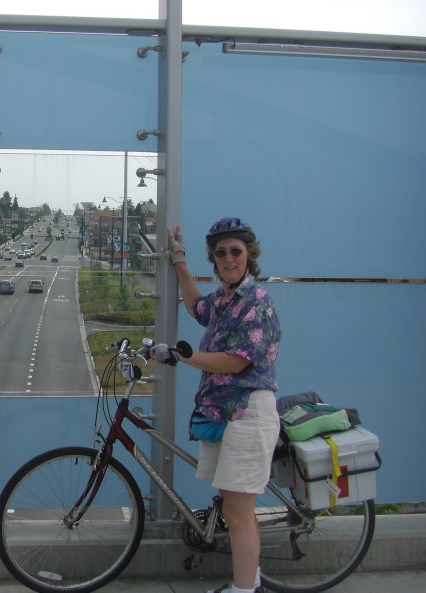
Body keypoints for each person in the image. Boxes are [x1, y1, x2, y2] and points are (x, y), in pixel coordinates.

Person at [156, 217, 281, 593]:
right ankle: (250, 583)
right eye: (221, 253)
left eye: (236, 252)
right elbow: (197, 305)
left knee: (238, 513)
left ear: (249, 256)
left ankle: (245, 591)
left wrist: (185, 355)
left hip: (248, 412)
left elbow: (236, 361)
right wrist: (179, 258)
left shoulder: (255, 302)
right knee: (233, 508)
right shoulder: (226, 299)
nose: (228, 258)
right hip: (226, 413)